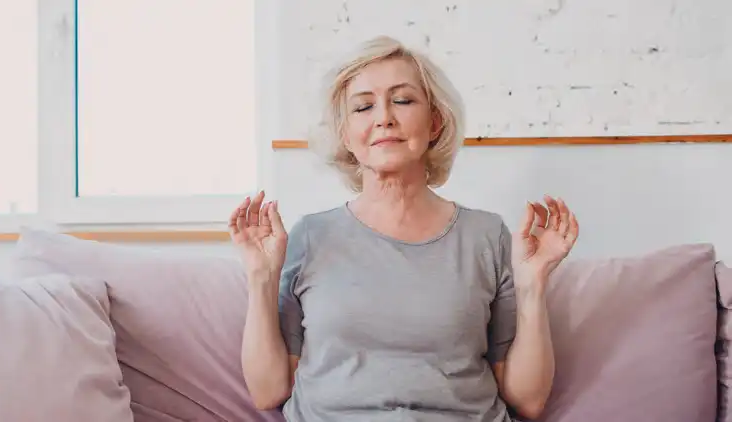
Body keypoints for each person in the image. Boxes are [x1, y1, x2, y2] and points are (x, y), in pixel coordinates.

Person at [228, 35, 580, 422]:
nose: (384, 118)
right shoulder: (309, 237)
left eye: (403, 100)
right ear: (346, 135)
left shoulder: (488, 236)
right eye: (363, 106)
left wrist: (533, 286)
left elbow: (527, 401)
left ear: (434, 123)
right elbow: (267, 392)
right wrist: (261, 276)